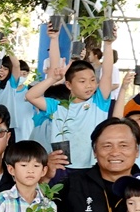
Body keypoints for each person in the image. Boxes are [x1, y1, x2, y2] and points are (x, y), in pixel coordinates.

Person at [25, 28, 114, 170]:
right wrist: (53, 79)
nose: (89, 85)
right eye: (82, 81)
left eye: (92, 80)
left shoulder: (98, 103)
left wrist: (108, 45)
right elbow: (31, 96)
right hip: (63, 169)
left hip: (92, 168)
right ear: (68, 85)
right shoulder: (57, 106)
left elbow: (107, 74)